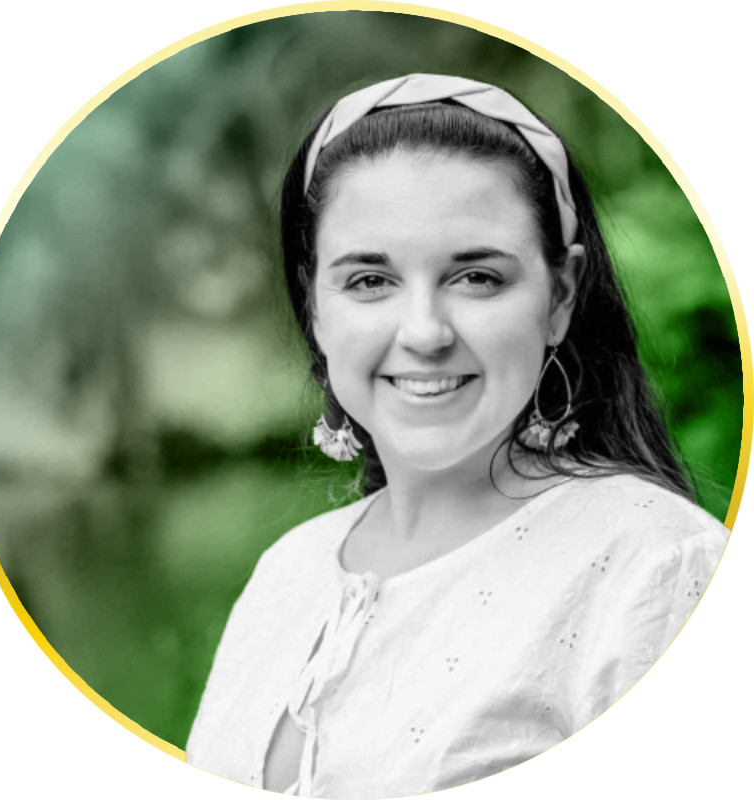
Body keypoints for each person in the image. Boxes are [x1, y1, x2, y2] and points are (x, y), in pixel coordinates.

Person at [186, 74, 729, 799]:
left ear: (561, 297)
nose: (424, 333)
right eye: (370, 281)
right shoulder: (288, 570)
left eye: (475, 276)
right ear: (316, 304)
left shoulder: (660, 566)